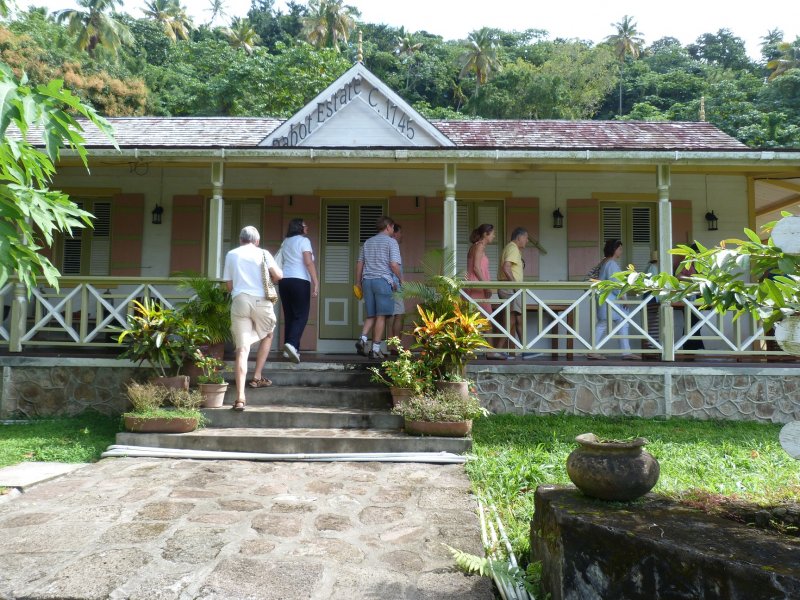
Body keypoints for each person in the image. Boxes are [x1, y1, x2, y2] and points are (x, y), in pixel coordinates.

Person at [223, 225, 283, 411]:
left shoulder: (231, 254)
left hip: (239, 300)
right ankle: (257, 376)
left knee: (241, 350)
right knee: (268, 332)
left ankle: (240, 398)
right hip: (260, 301)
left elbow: (229, 285)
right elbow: (279, 275)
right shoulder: (263, 253)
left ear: (241, 239)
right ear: (256, 241)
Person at [355, 216, 402, 360]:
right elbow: (394, 264)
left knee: (372, 314)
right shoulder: (391, 242)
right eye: (393, 227)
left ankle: (362, 338)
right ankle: (375, 349)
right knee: (381, 316)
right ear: (388, 226)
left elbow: (360, 264)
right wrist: (401, 279)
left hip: (367, 281)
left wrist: (358, 282)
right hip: (382, 281)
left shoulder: (368, 242)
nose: (393, 230)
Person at [589, 239, 640, 360]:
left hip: (606, 299)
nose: (621, 251)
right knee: (615, 322)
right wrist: (624, 299)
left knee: (614, 322)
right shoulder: (611, 264)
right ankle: (594, 350)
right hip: (610, 300)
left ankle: (624, 351)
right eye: (620, 249)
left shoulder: (604, 262)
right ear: (614, 250)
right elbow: (616, 283)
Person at [277, 218, 319, 364]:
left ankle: (291, 350)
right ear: (299, 227)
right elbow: (308, 262)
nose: (307, 227)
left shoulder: (286, 241)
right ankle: (292, 345)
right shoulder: (304, 241)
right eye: (305, 225)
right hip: (300, 281)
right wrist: (316, 281)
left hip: (284, 281)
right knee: (301, 316)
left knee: (290, 316)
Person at [490, 227, 528, 360]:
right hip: (510, 288)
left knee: (518, 318)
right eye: (526, 238)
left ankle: (525, 349)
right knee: (511, 319)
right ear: (519, 237)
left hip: (512, 288)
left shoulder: (512, 248)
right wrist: (515, 285)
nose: (527, 241)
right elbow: (506, 267)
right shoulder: (512, 248)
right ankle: (496, 351)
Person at [676, 243, 705, 355]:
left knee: (697, 322)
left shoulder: (700, 265)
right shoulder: (686, 264)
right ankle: (692, 347)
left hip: (698, 297)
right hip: (688, 298)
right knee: (691, 322)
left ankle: (691, 347)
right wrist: (692, 279)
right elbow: (678, 276)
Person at [465, 223, 495, 315]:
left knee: (474, 321)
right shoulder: (479, 246)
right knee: (486, 321)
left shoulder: (475, 246)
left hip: (474, 284)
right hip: (477, 286)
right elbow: (476, 268)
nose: (494, 236)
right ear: (486, 234)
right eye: (493, 233)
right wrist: (486, 287)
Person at [385, 223, 405, 354]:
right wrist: (398, 280)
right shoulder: (393, 244)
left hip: (388, 283)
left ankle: (391, 345)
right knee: (399, 314)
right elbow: (392, 265)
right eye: (400, 232)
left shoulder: (387, 244)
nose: (401, 235)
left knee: (390, 315)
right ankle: (395, 346)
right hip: (395, 284)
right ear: (394, 232)